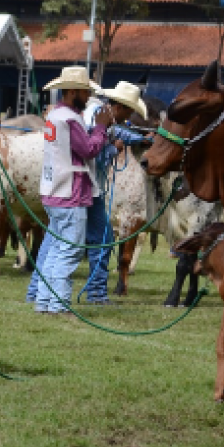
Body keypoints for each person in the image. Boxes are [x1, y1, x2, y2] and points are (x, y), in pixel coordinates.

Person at [27, 66, 113, 315]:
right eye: (85, 92)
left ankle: (44, 301)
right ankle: (58, 304)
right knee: (70, 250)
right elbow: (88, 150)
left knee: (55, 249)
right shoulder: (71, 119)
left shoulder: (54, 115)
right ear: (73, 91)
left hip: (53, 189)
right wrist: (100, 128)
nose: (87, 97)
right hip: (71, 193)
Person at [78, 81, 152, 304]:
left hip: (88, 188)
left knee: (59, 242)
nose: (128, 117)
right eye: (128, 111)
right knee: (103, 239)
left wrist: (141, 139)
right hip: (87, 187)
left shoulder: (102, 116)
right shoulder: (97, 118)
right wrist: (114, 149)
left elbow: (117, 132)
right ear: (120, 108)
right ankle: (97, 293)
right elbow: (92, 151)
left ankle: (38, 290)